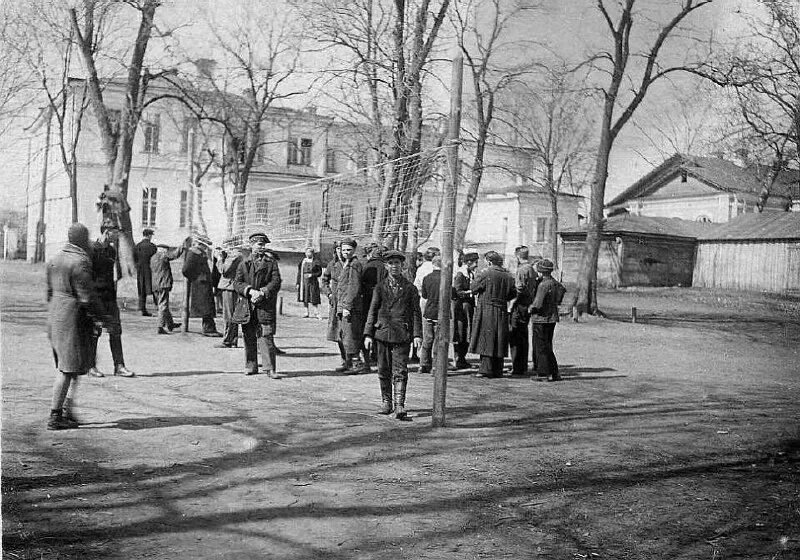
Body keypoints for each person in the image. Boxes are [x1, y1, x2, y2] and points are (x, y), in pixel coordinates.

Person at [46, 223, 103, 430]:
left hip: (55, 318)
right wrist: (101, 317)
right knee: (68, 369)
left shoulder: (55, 259)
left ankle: (67, 410)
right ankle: (55, 416)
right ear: (82, 239)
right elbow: (87, 296)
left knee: (73, 366)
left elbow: (49, 293)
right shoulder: (80, 261)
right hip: (73, 320)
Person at [363, 250, 423, 419]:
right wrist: (368, 334)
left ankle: (399, 405)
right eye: (391, 263)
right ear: (386, 266)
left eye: (397, 263)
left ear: (402, 266)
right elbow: (372, 311)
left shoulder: (410, 288)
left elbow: (416, 313)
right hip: (382, 333)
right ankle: (386, 402)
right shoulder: (380, 288)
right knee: (383, 369)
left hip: (402, 334)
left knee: (400, 370)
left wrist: (417, 334)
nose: (394, 266)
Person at [87, 221, 135, 378]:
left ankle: (119, 366)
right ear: (106, 232)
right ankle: (90, 366)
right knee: (95, 332)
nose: (117, 235)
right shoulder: (92, 250)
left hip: (109, 297)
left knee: (116, 330)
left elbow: (114, 274)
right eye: (115, 232)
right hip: (96, 297)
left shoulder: (112, 250)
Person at [233, 231, 283, 378]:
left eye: (263, 245)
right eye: (259, 244)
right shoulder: (243, 263)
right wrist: (249, 291)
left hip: (264, 305)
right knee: (248, 335)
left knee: (266, 335)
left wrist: (262, 292)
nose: (261, 247)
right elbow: (237, 283)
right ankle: (251, 365)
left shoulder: (271, 263)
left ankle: (270, 368)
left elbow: (276, 282)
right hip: (248, 305)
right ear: (251, 245)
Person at [469, 251, 517, 378]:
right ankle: (498, 369)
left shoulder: (485, 273)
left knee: (486, 338)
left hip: (486, 309)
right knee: (499, 338)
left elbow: (474, 289)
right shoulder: (508, 275)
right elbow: (513, 293)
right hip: (501, 309)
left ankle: (485, 369)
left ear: (489, 261)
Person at [529, 258, 566, 382]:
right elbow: (561, 293)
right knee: (548, 346)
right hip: (552, 317)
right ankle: (554, 373)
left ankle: (543, 373)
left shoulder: (543, 285)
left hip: (541, 319)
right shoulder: (555, 283)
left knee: (541, 347)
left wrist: (530, 309)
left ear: (540, 271)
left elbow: (537, 304)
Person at [335, 237, 365, 374]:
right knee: (344, 335)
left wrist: (347, 306)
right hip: (342, 305)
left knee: (350, 336)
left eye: (349, 250)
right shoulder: (346, 263)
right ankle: (348, 363)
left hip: (350, 307)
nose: (346, 252)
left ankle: (356, 363)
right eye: (344, 250)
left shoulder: (355, 264)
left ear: (354, 250)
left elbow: (354, 287)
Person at [182, 235, 222, 337]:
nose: (205, 247)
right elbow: (186, 270)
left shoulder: (200, 253)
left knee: (207, 306)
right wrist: (196, 278)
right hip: (200, 283)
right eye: (204, 245)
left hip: (204, 283)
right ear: (199, 244)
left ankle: (210, 328)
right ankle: (208, 329)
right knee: (206, 307)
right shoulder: (193, 252)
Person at [508, 246, 539, 376]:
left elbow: (518, 289)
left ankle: (517, 367)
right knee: (523, 336)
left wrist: (511, 305)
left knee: (515, 336)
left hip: (519, 306)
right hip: (527, 305)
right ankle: (522, 365)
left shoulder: (521, 270)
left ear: (517, 256)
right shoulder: (532, 269)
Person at [360, 243, 387, 370]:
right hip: (382, 302)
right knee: (379, 326)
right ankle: (377, 354)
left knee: (368, 325)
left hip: (367, 301)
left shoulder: (367, 266)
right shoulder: (385, 268)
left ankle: (367, 355)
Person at [322, 241, 347, 369]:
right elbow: (324, 281)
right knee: (338, 332)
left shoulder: (353, 264)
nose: (340, 251)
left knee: (349, 331)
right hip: (336, 302)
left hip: (349, 302)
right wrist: (329, 294)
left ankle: (354, 359)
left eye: (342, 249)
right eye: (338, 248)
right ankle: (344, 359)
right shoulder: (332, 265)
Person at [452, 250, 478, 370]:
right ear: (468, 262)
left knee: (467, 332)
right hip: (461, 308)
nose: (476, 265)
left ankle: (462, 358)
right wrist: (471, 293)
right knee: (461, 332)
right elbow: (458, 291)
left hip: (467, 307)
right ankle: (459, 359)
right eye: (475, 262)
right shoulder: (460, 274)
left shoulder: (469, 273)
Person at [150, 243, 183, 334]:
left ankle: (170, 324)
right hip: (163, 284)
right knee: (163, 305)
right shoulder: (162, 256)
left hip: (155, 284)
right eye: (166, 250)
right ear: (163, 250)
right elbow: (175, 255)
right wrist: (182, 246)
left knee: (163, 305)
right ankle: (160, 327)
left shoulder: (153, 257)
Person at [215, 243, 243, 348]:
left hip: (229, 287)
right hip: (232, 287)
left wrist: (219, 258)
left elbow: (224, 270)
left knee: (228, 315)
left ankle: (227, 340)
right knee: (232, 315)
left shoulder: (234, 256)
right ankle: (233, 340)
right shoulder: (238, 255)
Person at [419, 255, 442, 373]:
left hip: (429, 311)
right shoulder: (446, 278)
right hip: (441, 313)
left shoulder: (427, 278)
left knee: (427, 339)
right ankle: (435, 366)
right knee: (438, 340)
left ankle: (423, 364)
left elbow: (425, 295)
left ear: (433, 264)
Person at [133, 228, 157, 316]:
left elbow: (134, 258)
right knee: (154, 289)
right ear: (149, 235)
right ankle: (159, 308)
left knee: (141, 289)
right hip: (150, 270)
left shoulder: (137, 246)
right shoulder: (153, 247)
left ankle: (142, 309)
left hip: (140, 270)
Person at [296, 247, 323, 319]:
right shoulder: (303, 261)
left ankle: (316, 312)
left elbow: (319, 273)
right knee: (305, 296)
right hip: (304, 282)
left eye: (309, 252)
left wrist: (312, 275)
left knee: (313, 296)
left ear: (312, 253)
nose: (308, 254)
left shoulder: (316, 262)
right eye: (307, 252)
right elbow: (299, 273)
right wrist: (298, 283)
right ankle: (306, 312)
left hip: (313, 282)